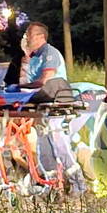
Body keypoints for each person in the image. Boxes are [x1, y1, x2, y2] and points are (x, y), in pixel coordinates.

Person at [19, 21, 87, 195]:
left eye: (29, 35)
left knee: (57, 140)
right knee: (43, 144)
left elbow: (44, 80)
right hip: (41, 104)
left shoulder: (50, 53)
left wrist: (25, 88)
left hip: (56, 100)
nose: (26, 38)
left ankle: (77, 182)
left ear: (41, 37)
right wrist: (26, 56)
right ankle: (52, 183)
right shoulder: (33, 58)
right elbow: (23, 82)